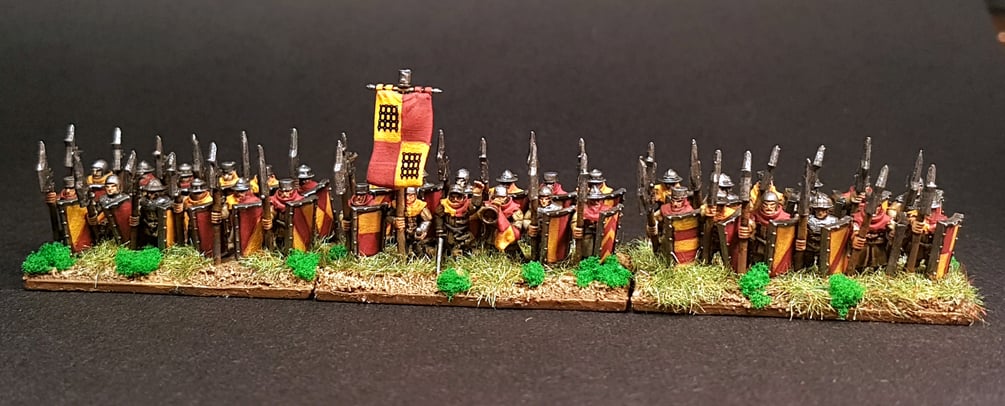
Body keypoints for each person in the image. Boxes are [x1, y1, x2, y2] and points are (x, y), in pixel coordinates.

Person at [435, 184, 481, 257]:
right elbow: (438, 215)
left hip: (464, 232)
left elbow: (475, 206)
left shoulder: (467, 205)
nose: (455, 199)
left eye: (458, 197)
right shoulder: (444, 205)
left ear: (463, 197)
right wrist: (439, 228)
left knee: (473, 249)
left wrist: (477, 195)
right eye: (452, 197)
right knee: (451, 247)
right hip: (449, 233)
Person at [796, 192, 839, 268]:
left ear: (827, 210)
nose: (820, 212)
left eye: (823, 210)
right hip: (810, 245)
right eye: (818, 210)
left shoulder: (833, 221)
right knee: (808, 260)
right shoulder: (809, 219)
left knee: (823, 262)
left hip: (824, 245)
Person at [391, 187, 433, 257]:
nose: (408, 198)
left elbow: (427, 219)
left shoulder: (419, 205)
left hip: (414, 232)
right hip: (402, 233)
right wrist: (394, 221)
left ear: (415, 195)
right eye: (405, 195)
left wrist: (422, 230)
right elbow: (388, 217)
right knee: (402, 249)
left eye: (411, 195)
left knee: (418, 249)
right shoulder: (396, 204)